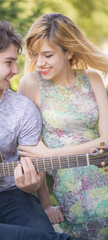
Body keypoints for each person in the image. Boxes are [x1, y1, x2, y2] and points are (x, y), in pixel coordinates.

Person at [0, 17, 81, 240]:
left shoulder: (23, 110)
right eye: (9, 62)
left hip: (13, 195)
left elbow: (35, 168)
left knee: (41, 232)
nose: (15, 70)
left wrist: (32, 183)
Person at [17, 13, 108, 240]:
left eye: (48, 55)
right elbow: (31, 155)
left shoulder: (93, 78)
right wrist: (46, 205)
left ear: (69, 52)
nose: (39, 62)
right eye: (35, 55)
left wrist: (51, 154)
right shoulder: (30, 84)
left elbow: (106, 143)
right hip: (71, 190)